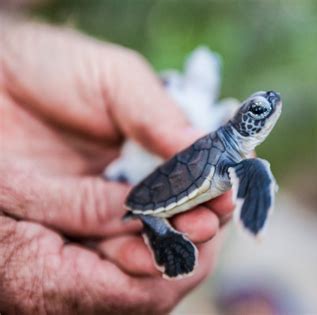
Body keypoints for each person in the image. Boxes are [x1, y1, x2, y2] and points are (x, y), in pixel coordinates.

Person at [0, 16, 234, 314]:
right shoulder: (177, 88)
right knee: (148, 203)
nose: (203, 74)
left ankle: (159, 233)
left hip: (162, 172)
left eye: (208, 69)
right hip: (139, 164)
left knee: (179, 217)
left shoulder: (219, 115)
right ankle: (157, 231)